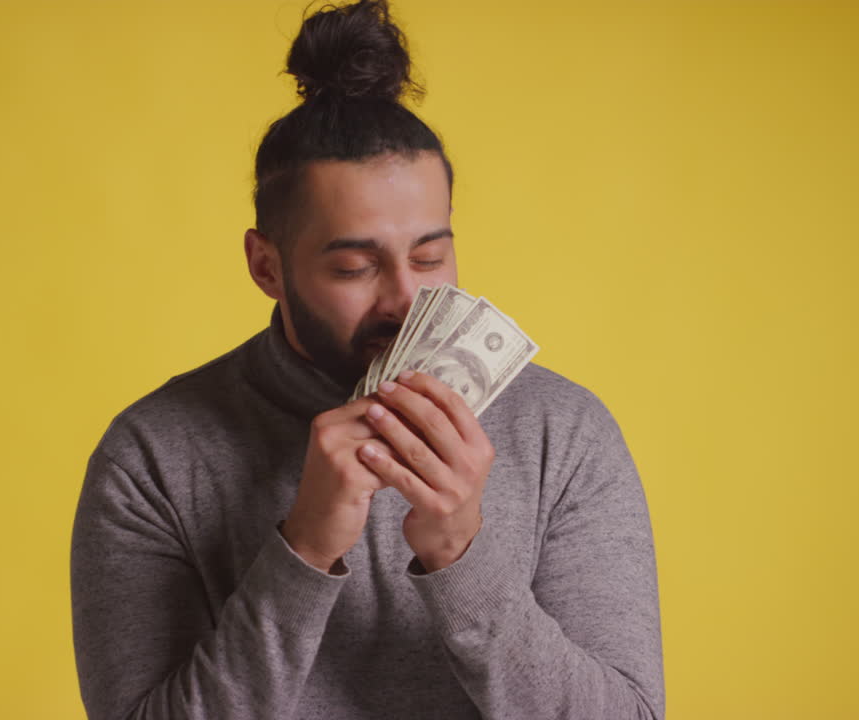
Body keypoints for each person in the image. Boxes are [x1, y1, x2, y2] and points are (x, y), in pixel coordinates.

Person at [69, 2, 664, 718]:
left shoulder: (563, 435)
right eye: (354, 267)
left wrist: (460, 553)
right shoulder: (152, 457)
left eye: (430, 255)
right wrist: (305, 549)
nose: (406, 298)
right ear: (267, 265)